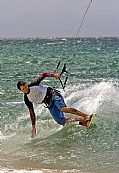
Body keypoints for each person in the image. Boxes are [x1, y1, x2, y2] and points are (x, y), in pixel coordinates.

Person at [17, 70, 92, 138]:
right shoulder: (27, 99)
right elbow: (31, 112)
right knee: (60, 121)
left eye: (26, 86)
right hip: (49, 103)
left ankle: (86, 115)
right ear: (21, 90)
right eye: (23, 89)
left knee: (63, 109)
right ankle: (81, 120)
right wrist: (33, 126)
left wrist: (54, 75)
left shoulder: (34, 84)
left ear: (26, 84)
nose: (26, 89)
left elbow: (43, 75)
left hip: (53, 94)